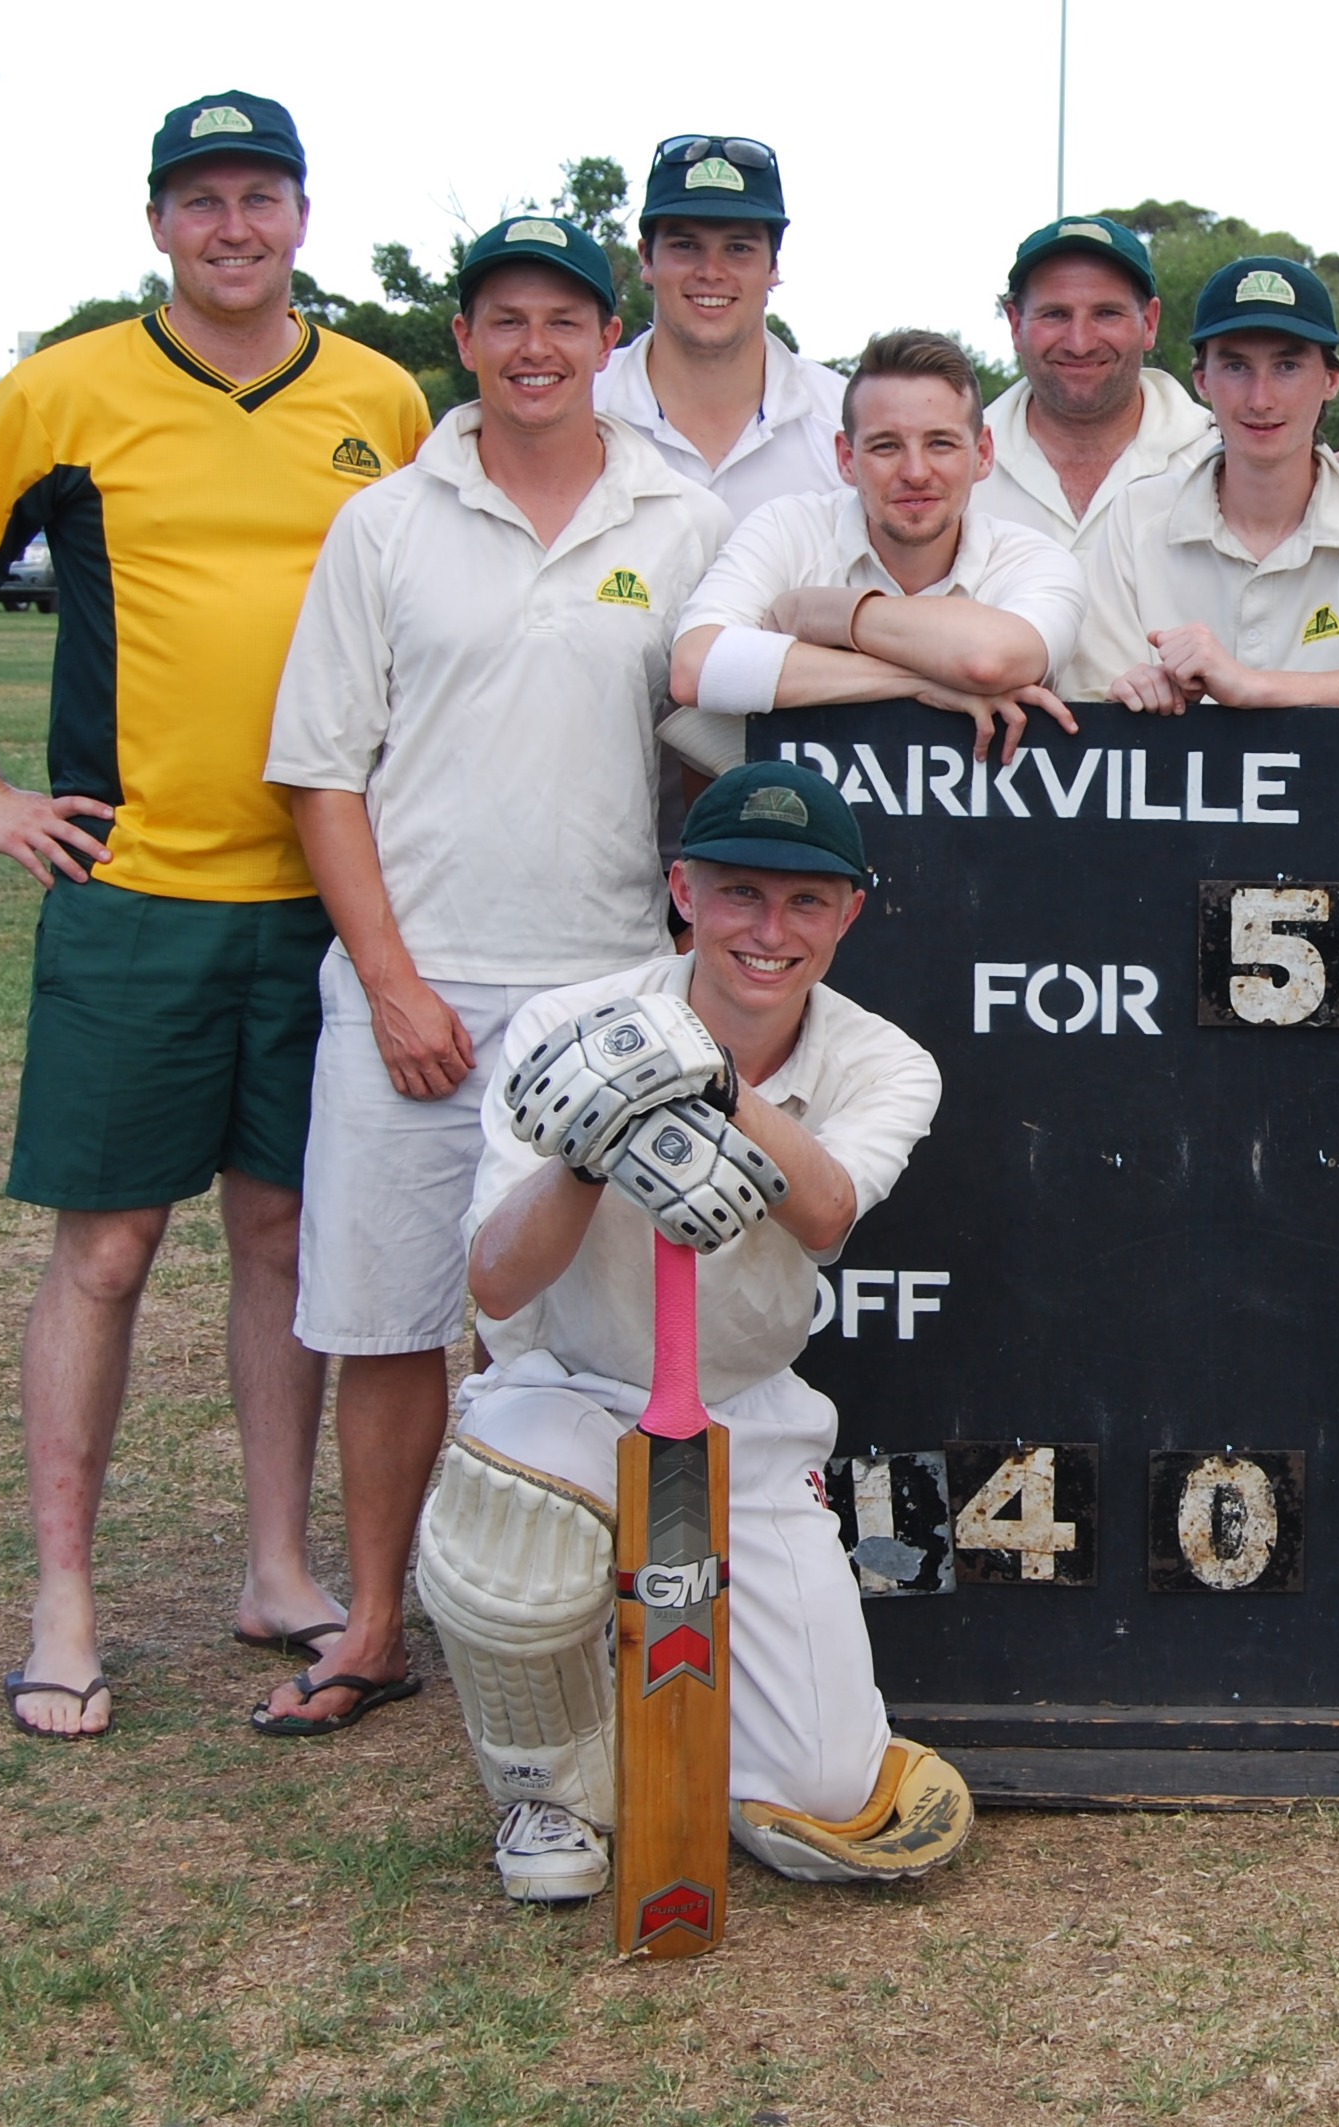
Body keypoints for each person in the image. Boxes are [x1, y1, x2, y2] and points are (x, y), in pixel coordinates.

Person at [0, 92, 430, 1739]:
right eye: (201, 201)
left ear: (300, 217)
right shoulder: (67, 389)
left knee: (282, 1238)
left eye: (258, 197)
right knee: (110, 1250)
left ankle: (277, 1563)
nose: (233, 228)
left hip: (326, 901)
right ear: (158, 226)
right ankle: (64, 1598)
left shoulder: (384, 400)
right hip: (134, 893)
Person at [251, 215, 732, 1737]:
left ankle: (551, 1622)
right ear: (461, 341)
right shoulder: (387, 521)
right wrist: (392, 982)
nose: (536, 348)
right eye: (503, 320)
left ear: (610, 342)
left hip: (602, 990)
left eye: (564, 322)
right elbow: (320, 772)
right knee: (389, 1320)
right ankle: (380, 1621)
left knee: (571, 1337)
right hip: (419, 988)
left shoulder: (684, 517)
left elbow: (726, 733)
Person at [415, 761, 973, 1901]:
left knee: (819, 1788)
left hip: (740, 1413)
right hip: (565, 1388)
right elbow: (498, 1283)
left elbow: (823, 1212)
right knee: (511, 1533)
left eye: (805, 902)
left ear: (850, 912)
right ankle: (549, 1793)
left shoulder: (887, 1062)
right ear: (682, 890)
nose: (769, 932)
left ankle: (652, 1713)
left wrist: (710, 1081)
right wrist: (589, 1149)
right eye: (737, 895)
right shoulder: (566, 1026)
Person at [666, 329, 1086, 767]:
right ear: (846, 458)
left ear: (982, 453)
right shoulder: (787, 528)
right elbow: (695, 668)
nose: (916, 472)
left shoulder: (1035, 560)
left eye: (940, 443)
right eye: (886, 446)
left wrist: (818, 614)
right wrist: (925, 684)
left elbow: (988, 661)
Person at [1067, 255, 1339, 711]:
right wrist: (1129, 690)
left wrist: (1253, 686)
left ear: (1330, 379)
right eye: (1236, 367)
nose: (1260, 399)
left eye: (1287, 367)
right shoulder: (1137, 515)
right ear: (1202, 380)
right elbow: (1087, 697)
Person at [590, 134, 844, 523]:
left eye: (738, 248)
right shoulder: (581, 406)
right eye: (686, 246)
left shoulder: (847, 422)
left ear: (773, 266)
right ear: (647, 258)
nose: (711, 272)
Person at [979, 214, 1214, 553]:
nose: (1080, 343)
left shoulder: (1220, 459)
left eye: (1106, 313)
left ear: (1149, 323)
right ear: (1016, 325)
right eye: (1055, 314)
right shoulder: (955, 467)